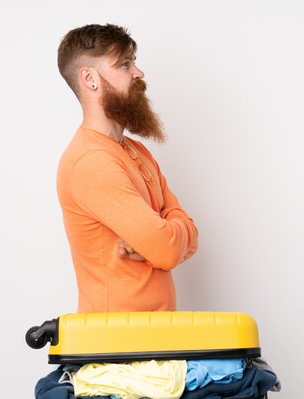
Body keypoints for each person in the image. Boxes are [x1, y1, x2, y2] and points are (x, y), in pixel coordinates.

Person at [56, 23, 198, 313]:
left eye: (133, 61)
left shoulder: (137, 150)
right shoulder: (91, 160)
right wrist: (161, 243)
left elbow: (188, 234)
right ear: (90, 79)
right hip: (117, 349)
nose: (139, 72)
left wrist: (163, 238)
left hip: (153, 343)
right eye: (124, 64)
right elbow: (168, 249)